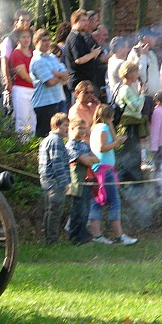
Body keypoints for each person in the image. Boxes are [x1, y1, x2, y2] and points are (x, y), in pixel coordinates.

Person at [87, 104, 137, 245]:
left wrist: (116, 137)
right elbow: (102, 148)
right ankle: (118, 236)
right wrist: (116, 142)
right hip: (104, 168)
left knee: (99, 200)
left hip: (103, 167)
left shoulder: (98, 127)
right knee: (113, 201)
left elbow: (115, 140)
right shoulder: (102, 128)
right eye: (112, 116)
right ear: (108, 116)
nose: (113, 119)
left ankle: (97, 235)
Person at [38, 113, 71, 245]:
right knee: (55, 211)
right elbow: (57, 164)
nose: (67, 128)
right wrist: (64, 182)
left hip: (47, 181)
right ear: (56, 125)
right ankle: (52, 240)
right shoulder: (56, 141)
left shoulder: (47, 140)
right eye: (65, 125)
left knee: (50, 211)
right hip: (54, 182)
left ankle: (48, 238)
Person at [29, 28, 69, 137]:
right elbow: (50, 82)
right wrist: (60, 75)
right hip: (44, 104)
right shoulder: (37, 60)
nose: (47, 43)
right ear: (36, 42)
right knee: (45, 136)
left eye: (48, 40)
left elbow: (66, 76)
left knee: (61, 135)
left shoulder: (52, 57)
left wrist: (56, 74)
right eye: (44, 41)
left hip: (58, 100)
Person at [66, 118, 99, 245]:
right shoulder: (70, 145)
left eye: (84, 128)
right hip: (77, 182)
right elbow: (85, 161)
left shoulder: (84, 144)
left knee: (85, 210)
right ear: (72, 129)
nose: (82, 131)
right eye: (79, 128)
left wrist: (88, 160)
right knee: (77, 210)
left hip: (88, 180)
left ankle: (83, 236)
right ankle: (75, 237)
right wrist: (87, 160)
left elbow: (96, 159)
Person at [115, 61, 148, 182]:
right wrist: (142, 94)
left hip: (132, 126)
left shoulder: (125, 88)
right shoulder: (126, 90)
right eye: (135, 72)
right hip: (130, 127)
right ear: (128, 74)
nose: (137, 75)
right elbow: (137, 107)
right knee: (132, 155)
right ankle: (133, 182)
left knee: (133, 154)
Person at [64, 9, 102, 107]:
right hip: (79, 84)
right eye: (83, 20)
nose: (86, 23)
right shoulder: (74, 37)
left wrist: (91, 54)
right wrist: (93, 54)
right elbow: (79, 60)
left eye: (87, 20)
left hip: (86, 83)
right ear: (74, 21)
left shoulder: (80, 37)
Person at [9, 28, 35, 139]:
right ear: (18, 39)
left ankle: (32, 144)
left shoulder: (33, 53)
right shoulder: (16, 54)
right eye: (23, 37)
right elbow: (23, 75)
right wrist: (38, 84)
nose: (26, 39)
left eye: (28, 37)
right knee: (23, 121)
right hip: (21, 90)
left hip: (34, 91)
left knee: (33, 120)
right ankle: (22, 144)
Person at [0, 9, 33, 94]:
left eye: (28, 21)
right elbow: (4, 62)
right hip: (15, 85)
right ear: (15, 23)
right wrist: (7, 81)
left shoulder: (31, 37)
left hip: (30, 84)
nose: (25, 23)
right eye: (22, 21)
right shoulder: (8, 40)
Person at [127, 27, 161, 98]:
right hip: (143, 97)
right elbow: (141, 73)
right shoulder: (135, 54)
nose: (155, 39)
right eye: (153, 37)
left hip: (153, 97)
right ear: (145, 38)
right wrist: (143, 56)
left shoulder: (151, 53)